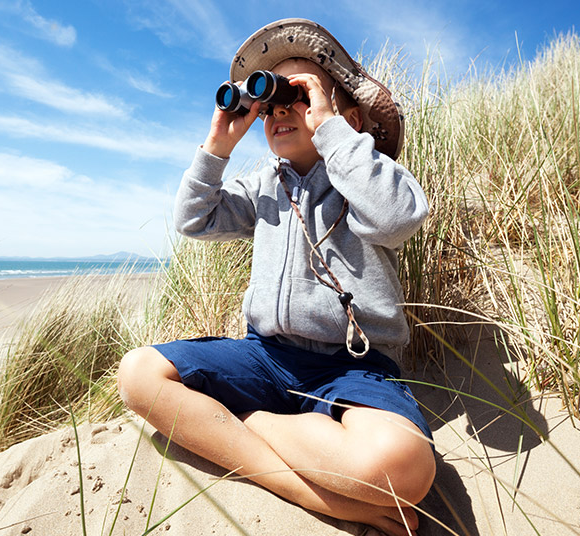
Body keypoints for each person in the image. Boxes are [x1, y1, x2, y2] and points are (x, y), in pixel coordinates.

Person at [117, 18, 435, 535]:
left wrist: (335, 134)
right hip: (264, 355)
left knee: (405, 467)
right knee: (137, 373)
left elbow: (398, 217)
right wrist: (219, 144)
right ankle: (293, 482)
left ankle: (250, 425)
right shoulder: (265, 185)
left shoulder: (366, 176)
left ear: (348, 116)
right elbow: (193, 219)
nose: (281, 107)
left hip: (355, 368)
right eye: (272, 100)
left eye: (302, 93)